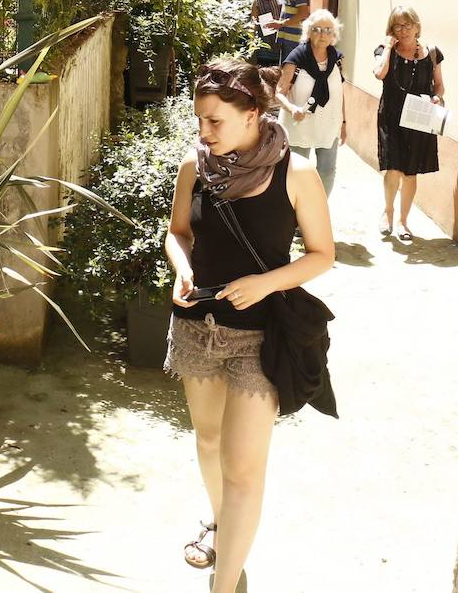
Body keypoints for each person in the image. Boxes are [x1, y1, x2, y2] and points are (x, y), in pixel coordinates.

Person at [164, 59, 336, 593]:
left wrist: (265, 284)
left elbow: (321, 255)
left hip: (260, 338)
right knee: (209, 440)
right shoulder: (195, 164)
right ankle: (220, 527)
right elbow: (177, 233)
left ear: (254, 115)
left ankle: (226, 581)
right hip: (196, 327)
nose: (204, 132)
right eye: (200, 121)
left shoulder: (296, 173)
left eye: (215, 121)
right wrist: (183, 268)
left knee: (243, 469)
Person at [372, 5, 446, 241]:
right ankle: (388, 211)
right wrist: (387, 48)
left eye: (407, 25)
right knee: (393, 167)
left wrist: (437, 98)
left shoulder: (432, 53)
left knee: (410, 173)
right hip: (391, 116)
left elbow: (439, 86)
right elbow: (379, 74)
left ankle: (404, 222)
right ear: (391, 29)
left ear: (416, 26)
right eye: (397, 26)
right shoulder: (385, 49)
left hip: (419, 118)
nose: (403, 30)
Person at [274, 9, 346, 194]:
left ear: (334, 34)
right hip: (300, 125)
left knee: (327, 171)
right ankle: (296, 214)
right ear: (308, 31)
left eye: (328, 30)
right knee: (298, 172)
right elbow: (279, 93)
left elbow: (339, 92)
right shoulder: (296, 59)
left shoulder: (337, 59)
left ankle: (319, 211)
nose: (323, 34)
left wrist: (344, 123)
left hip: (329, 124)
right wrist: (292, 109)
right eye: (317, 29)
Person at [250, 0, 285, 67]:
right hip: (265, 45)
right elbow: (254, 22)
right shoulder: (257, 1)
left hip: (282, 42)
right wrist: (252, 42)